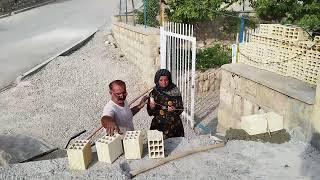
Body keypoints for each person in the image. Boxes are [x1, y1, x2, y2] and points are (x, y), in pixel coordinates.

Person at [147, 69, 184, 139]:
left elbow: (181, 108)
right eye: (161, 80)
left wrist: (174, 109)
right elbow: (150, 113)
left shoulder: (175, 91)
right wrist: (152, 107)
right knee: (158, 145)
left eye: (166, 80)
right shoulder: (153, 93)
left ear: (169, 79)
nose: (164, 82)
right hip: (159, 124)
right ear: (157, 80)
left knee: (175, 145)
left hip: (173, 124)